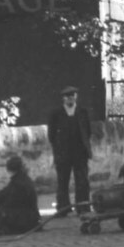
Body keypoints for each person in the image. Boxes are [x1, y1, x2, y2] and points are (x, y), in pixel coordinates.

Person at [47, 85, 92, 216]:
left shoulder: (82, 112)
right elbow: (52, 135)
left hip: (80, 152)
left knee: (82, 180)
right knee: (62, 181)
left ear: (76, 97)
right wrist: (59, 149)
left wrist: (84, 147)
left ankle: (83, 206)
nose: (70, 99)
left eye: (72, 96)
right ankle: (63, 208)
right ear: (63, 99)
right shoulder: (56, 113)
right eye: (67, 97)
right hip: (63, 153)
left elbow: (87, 131)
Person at [0, 155, 41, 237]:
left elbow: (10, 204)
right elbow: (0, 195)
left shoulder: (20, 184)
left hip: (27, 218)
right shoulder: (18, 180)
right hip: (27, 216)